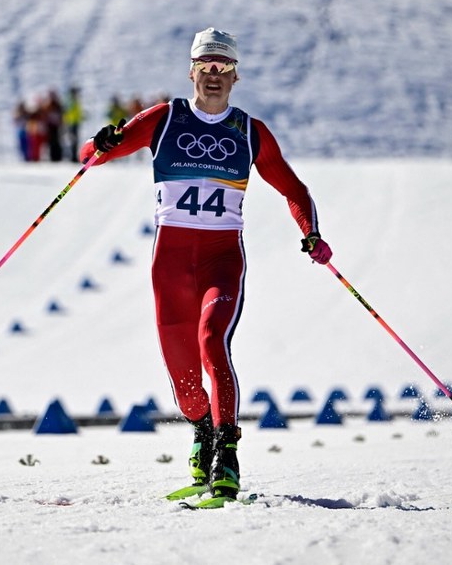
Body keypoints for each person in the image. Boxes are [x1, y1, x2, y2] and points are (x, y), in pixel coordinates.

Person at [80, 27, 333, 500]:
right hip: (169, 267)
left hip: (221, 261)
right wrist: (101, 143)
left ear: (236, 76)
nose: (214, 75)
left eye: (224, 67)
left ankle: (227, 455)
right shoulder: (163, 119)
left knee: (212, 339)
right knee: (184, 383)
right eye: (206, 66)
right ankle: (201, 434)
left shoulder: (250, 133)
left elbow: (295, 191)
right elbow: (89, 159)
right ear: (191, 71)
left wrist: (311, 233)